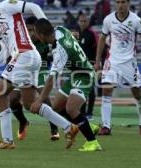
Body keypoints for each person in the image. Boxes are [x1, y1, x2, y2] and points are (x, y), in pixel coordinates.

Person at [0, 0, 78, 149]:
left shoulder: (6, 5)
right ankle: (69, 127)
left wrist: (49, 31)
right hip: (28, 56)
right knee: (30, 104)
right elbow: (6, 49)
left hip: (25, 55)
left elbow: (33, 7)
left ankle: (7, 141)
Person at [30, 18, 102, 152]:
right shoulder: (60, 30)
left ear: (41, 35)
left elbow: (51, 80)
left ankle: (92, 142)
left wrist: (39, 101)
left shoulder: (60, 50)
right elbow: (71, 34)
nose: (34, 36)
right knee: (56, 107)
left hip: (85, 75)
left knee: (71, 108)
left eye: (35, 33)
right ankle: (88, 126)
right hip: (75, 74)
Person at [95, 0, 141, 136]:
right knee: (106, 90)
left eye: (123, 2)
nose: (120, 5)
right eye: (118, 2)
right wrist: (97, 61)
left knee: (137, 94)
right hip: (112, 61)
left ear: (128, 3)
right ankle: (106, 126)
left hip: (129, 63)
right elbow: (102, 39)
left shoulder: (136, 20)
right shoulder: (108, 20)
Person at [8, 16, 60, 141]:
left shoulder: (45, 40)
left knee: (44, 95)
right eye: (28, 30)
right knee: (13, 98)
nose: (31, 33)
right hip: (24, 70)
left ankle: (54, 128)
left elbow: (55, 51)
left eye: (33, 30)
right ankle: (23, 121)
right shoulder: (20, 40)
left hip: (40, 69)